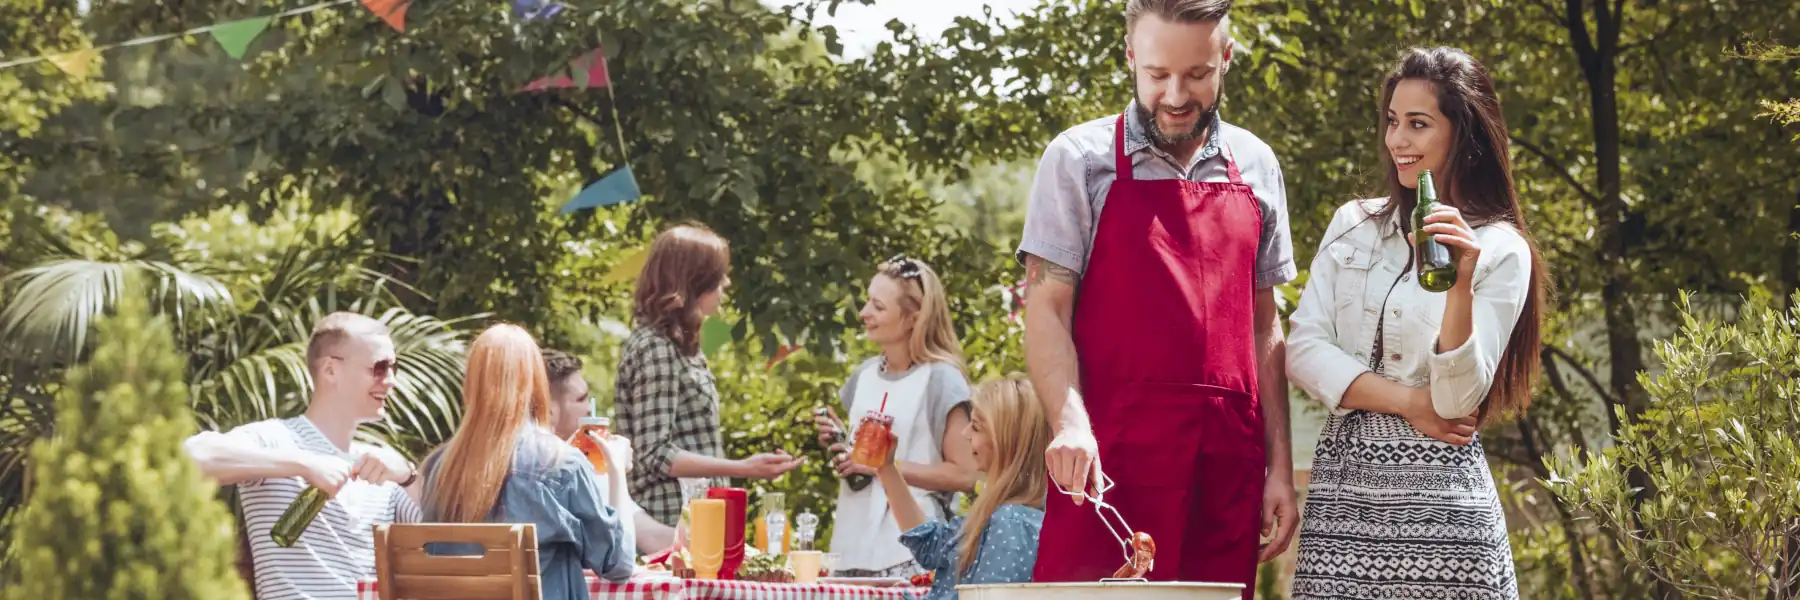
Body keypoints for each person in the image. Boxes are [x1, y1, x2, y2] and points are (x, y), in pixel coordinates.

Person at [1016, 0, 1298, 591]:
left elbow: (1264, 327)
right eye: (1156, 75)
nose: (1175, 95)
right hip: (1107, 469)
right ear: (1130, 60)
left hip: (1225, 471)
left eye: (1196, 75)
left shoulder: (1257, 165)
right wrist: (1070, 424)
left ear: (1226, 59)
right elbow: (1045, 309)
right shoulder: (1078, 161)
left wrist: (1280, 469)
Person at [1285, 47, 1543, 599]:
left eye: (1418, 125)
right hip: (1341, 501)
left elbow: (1455, 403)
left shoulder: (1501, 249)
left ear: (1463, 134)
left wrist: (1461, 283)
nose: (1396, 140)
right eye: (1393, 122)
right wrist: (1406, 402)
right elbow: (1302, 349)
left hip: (1446, 515)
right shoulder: (1353, 224)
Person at [183, 312, 423, 600]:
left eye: (393, 368)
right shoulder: (275, 439)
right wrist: (303, 464)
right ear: (331, 370)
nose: (391, 381)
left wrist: (409, 475)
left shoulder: (382, 465)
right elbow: (190, 458)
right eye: (379, 368)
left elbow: (443, 541)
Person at [420, 324, 634, 598]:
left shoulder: (438, 466)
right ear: (535, 382)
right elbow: (618, 564)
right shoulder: (561, 464)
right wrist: (616, 470)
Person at [615, 223, 804, 527]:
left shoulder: (681, 345)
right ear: (693, 281)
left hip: (697, 520)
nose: (726, 283)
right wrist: (745, 468)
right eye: (718, 276)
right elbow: (654, 453)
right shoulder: (657, 348)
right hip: (669, 522)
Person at [812, 255, 979, 578]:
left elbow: (965, 476)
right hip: (850, 550)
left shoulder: (942, 380)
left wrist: (882, 467)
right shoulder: (863, 376)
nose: (864, 313)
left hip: (911, 555)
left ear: (912, 319)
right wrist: (841, 445)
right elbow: (863, 464)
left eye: (878, 306)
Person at [881, 375, 1051, 600]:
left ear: (1005, 442)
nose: (965, 433)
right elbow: (930, 546)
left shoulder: (1010, 523)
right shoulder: (1000, 515)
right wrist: (885, 467)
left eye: (977, 427)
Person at [541, 348, 678, 555]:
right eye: (581, 399)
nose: (588, 409)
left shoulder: (501, 463)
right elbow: (620, 559)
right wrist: (616, 470)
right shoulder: (578, 467)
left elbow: (648, 533)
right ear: (548, 409)